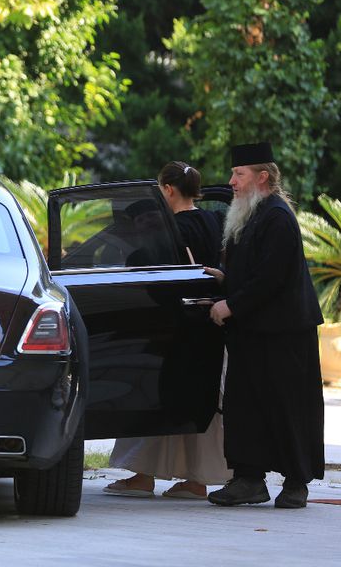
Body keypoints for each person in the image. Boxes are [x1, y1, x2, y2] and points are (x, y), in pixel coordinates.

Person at [206, 142, 324, 508]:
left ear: (262, 177)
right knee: (246, 407)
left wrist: (231, 305)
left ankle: (295, 483)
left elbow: (271, 278)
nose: (232, 182)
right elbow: (253, 271)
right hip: (253, 331)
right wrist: (226, 280)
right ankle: (249, 480)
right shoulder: (252, 213)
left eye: (238, 174)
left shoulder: (277, 217)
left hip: (284, 333)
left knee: (288, 408)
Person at [105, 161, 231, 500]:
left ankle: (144, 475)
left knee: (154, 397)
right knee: (200, 403)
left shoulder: (172, 227)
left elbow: (144, 266)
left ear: (169, 190)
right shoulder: (215, 219)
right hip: (210, 326)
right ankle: (195, 480)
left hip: (175, 327)